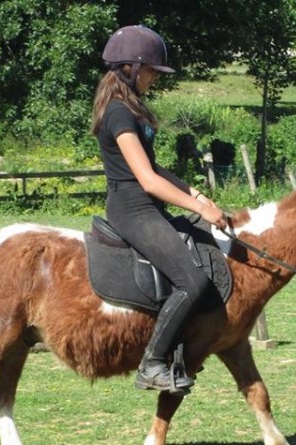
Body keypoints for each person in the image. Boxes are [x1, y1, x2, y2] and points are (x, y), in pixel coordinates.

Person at [92, 25, 227, 396]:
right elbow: (146, 180)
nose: (155, 78)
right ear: (130, 68)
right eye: (151, 70)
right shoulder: (118, 113)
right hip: (131, 209)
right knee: (193, 281)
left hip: (146, 205)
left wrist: (197, 194)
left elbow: (155, 167)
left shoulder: (134, 107)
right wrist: (196, 207)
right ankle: (152, 365)